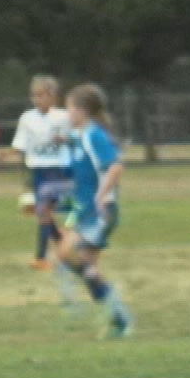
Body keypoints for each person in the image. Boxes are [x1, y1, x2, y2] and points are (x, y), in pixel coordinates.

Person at [57, 83, 134, 339]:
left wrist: (102, 195)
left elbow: (115, 167)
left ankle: (115, 312)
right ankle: (116, 313)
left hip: (101, 212)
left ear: (81, 111)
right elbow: (79, 182)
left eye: (68, 108)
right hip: (83, 210)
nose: (66, 113)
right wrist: (68, 216)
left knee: (70, 256)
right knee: (75, 262)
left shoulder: (93, 134)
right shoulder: (78, 137)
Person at [2, 76, 75, 271]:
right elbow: (20, 144)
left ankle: (41, 257)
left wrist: (66, 140)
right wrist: (7, 154)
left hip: (58, 169)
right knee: (43, 213)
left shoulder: (64, 117)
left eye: (41, 95)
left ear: (53, 97)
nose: (37, 99)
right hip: (37, 170)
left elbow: (77, 140)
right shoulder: (27, 118)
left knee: (44, 212)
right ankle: (61, 242)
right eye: (34, 95)